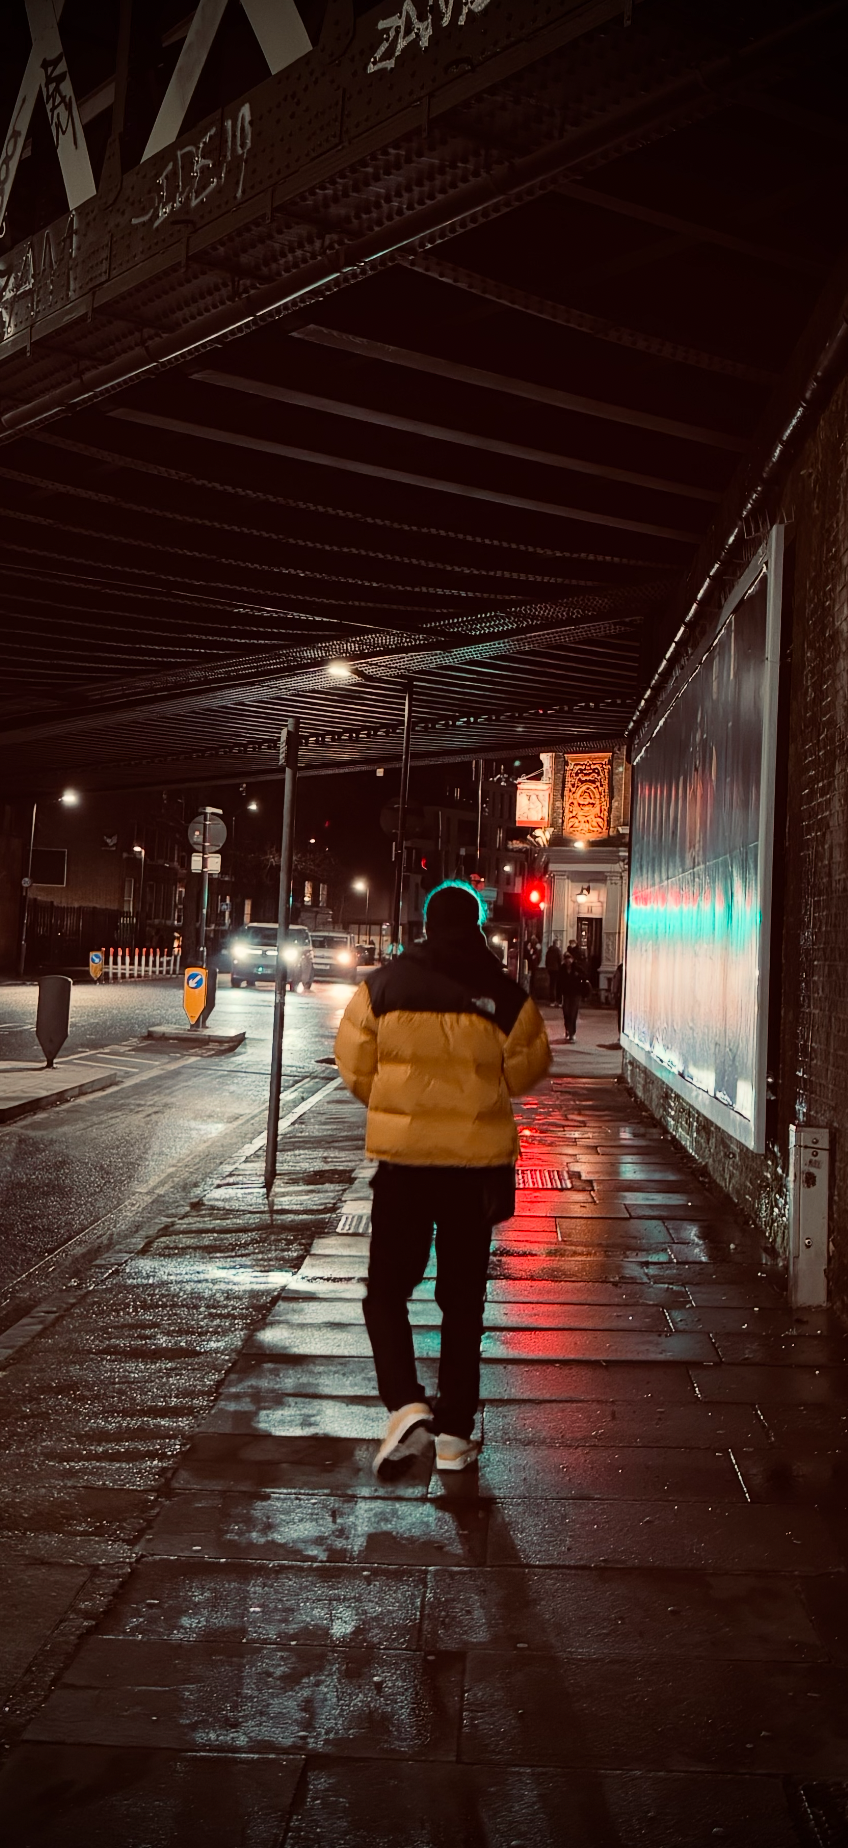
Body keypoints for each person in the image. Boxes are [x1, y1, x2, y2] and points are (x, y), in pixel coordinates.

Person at [335, 881, 551, 1477]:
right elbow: (530, 1066)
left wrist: (399, 1105)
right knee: (462, 1304)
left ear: (426, 925)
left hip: (403, 1168)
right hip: (473, 1171)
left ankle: (405, 1403)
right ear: (477, 925)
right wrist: (478, 1092)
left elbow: (354, 1067)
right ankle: (454, 1434)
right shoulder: (504, 995)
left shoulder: (380, 987)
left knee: (386, 1293)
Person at [557, 951, 582, 1042]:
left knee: (573, 1013)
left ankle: (572, 1033)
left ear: (572, 959)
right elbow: (558, 983)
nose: (568, 961)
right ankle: (567, 1029)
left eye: (569, 959)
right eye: (566, 960)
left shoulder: (577, 968)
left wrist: (578, 976)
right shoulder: (562, 969)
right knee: (566, 1013)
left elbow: (585, 976)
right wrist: (558, 996)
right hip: (566, 994)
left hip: (576, 994)